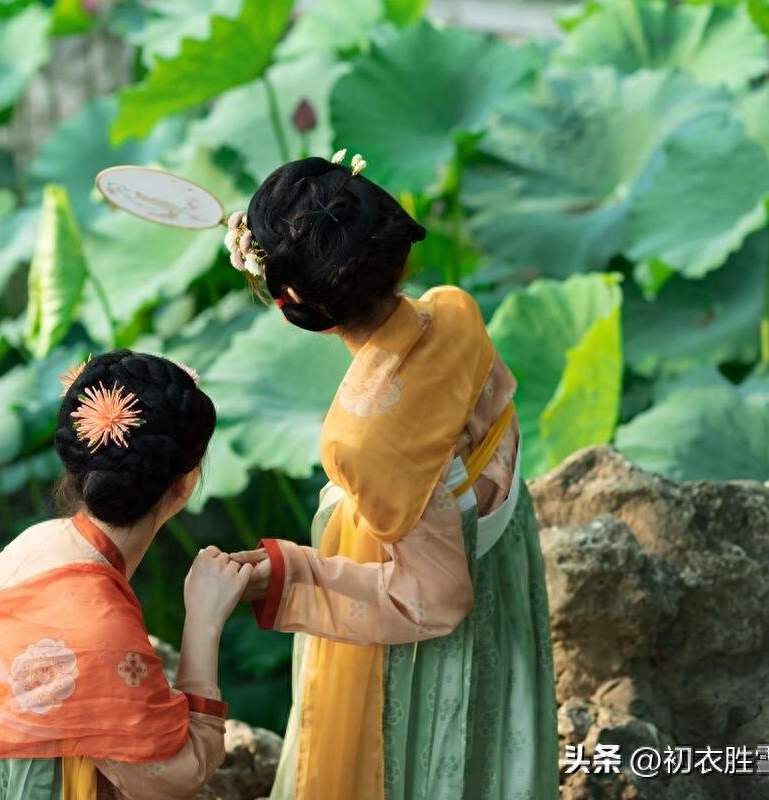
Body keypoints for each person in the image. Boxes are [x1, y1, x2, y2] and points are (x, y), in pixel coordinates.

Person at [224, 153, 560, 800]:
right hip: (502, 565)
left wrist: (296, 574)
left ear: (293, 303)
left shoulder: (356, 440)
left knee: (436, 767)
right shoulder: (456, 309)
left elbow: (436, 600)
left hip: (430, 643)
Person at [0, 350, 252, 800]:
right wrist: (204, 621)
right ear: (185, 483)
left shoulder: (37, 544)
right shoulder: (100, 625)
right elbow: (174, 776)